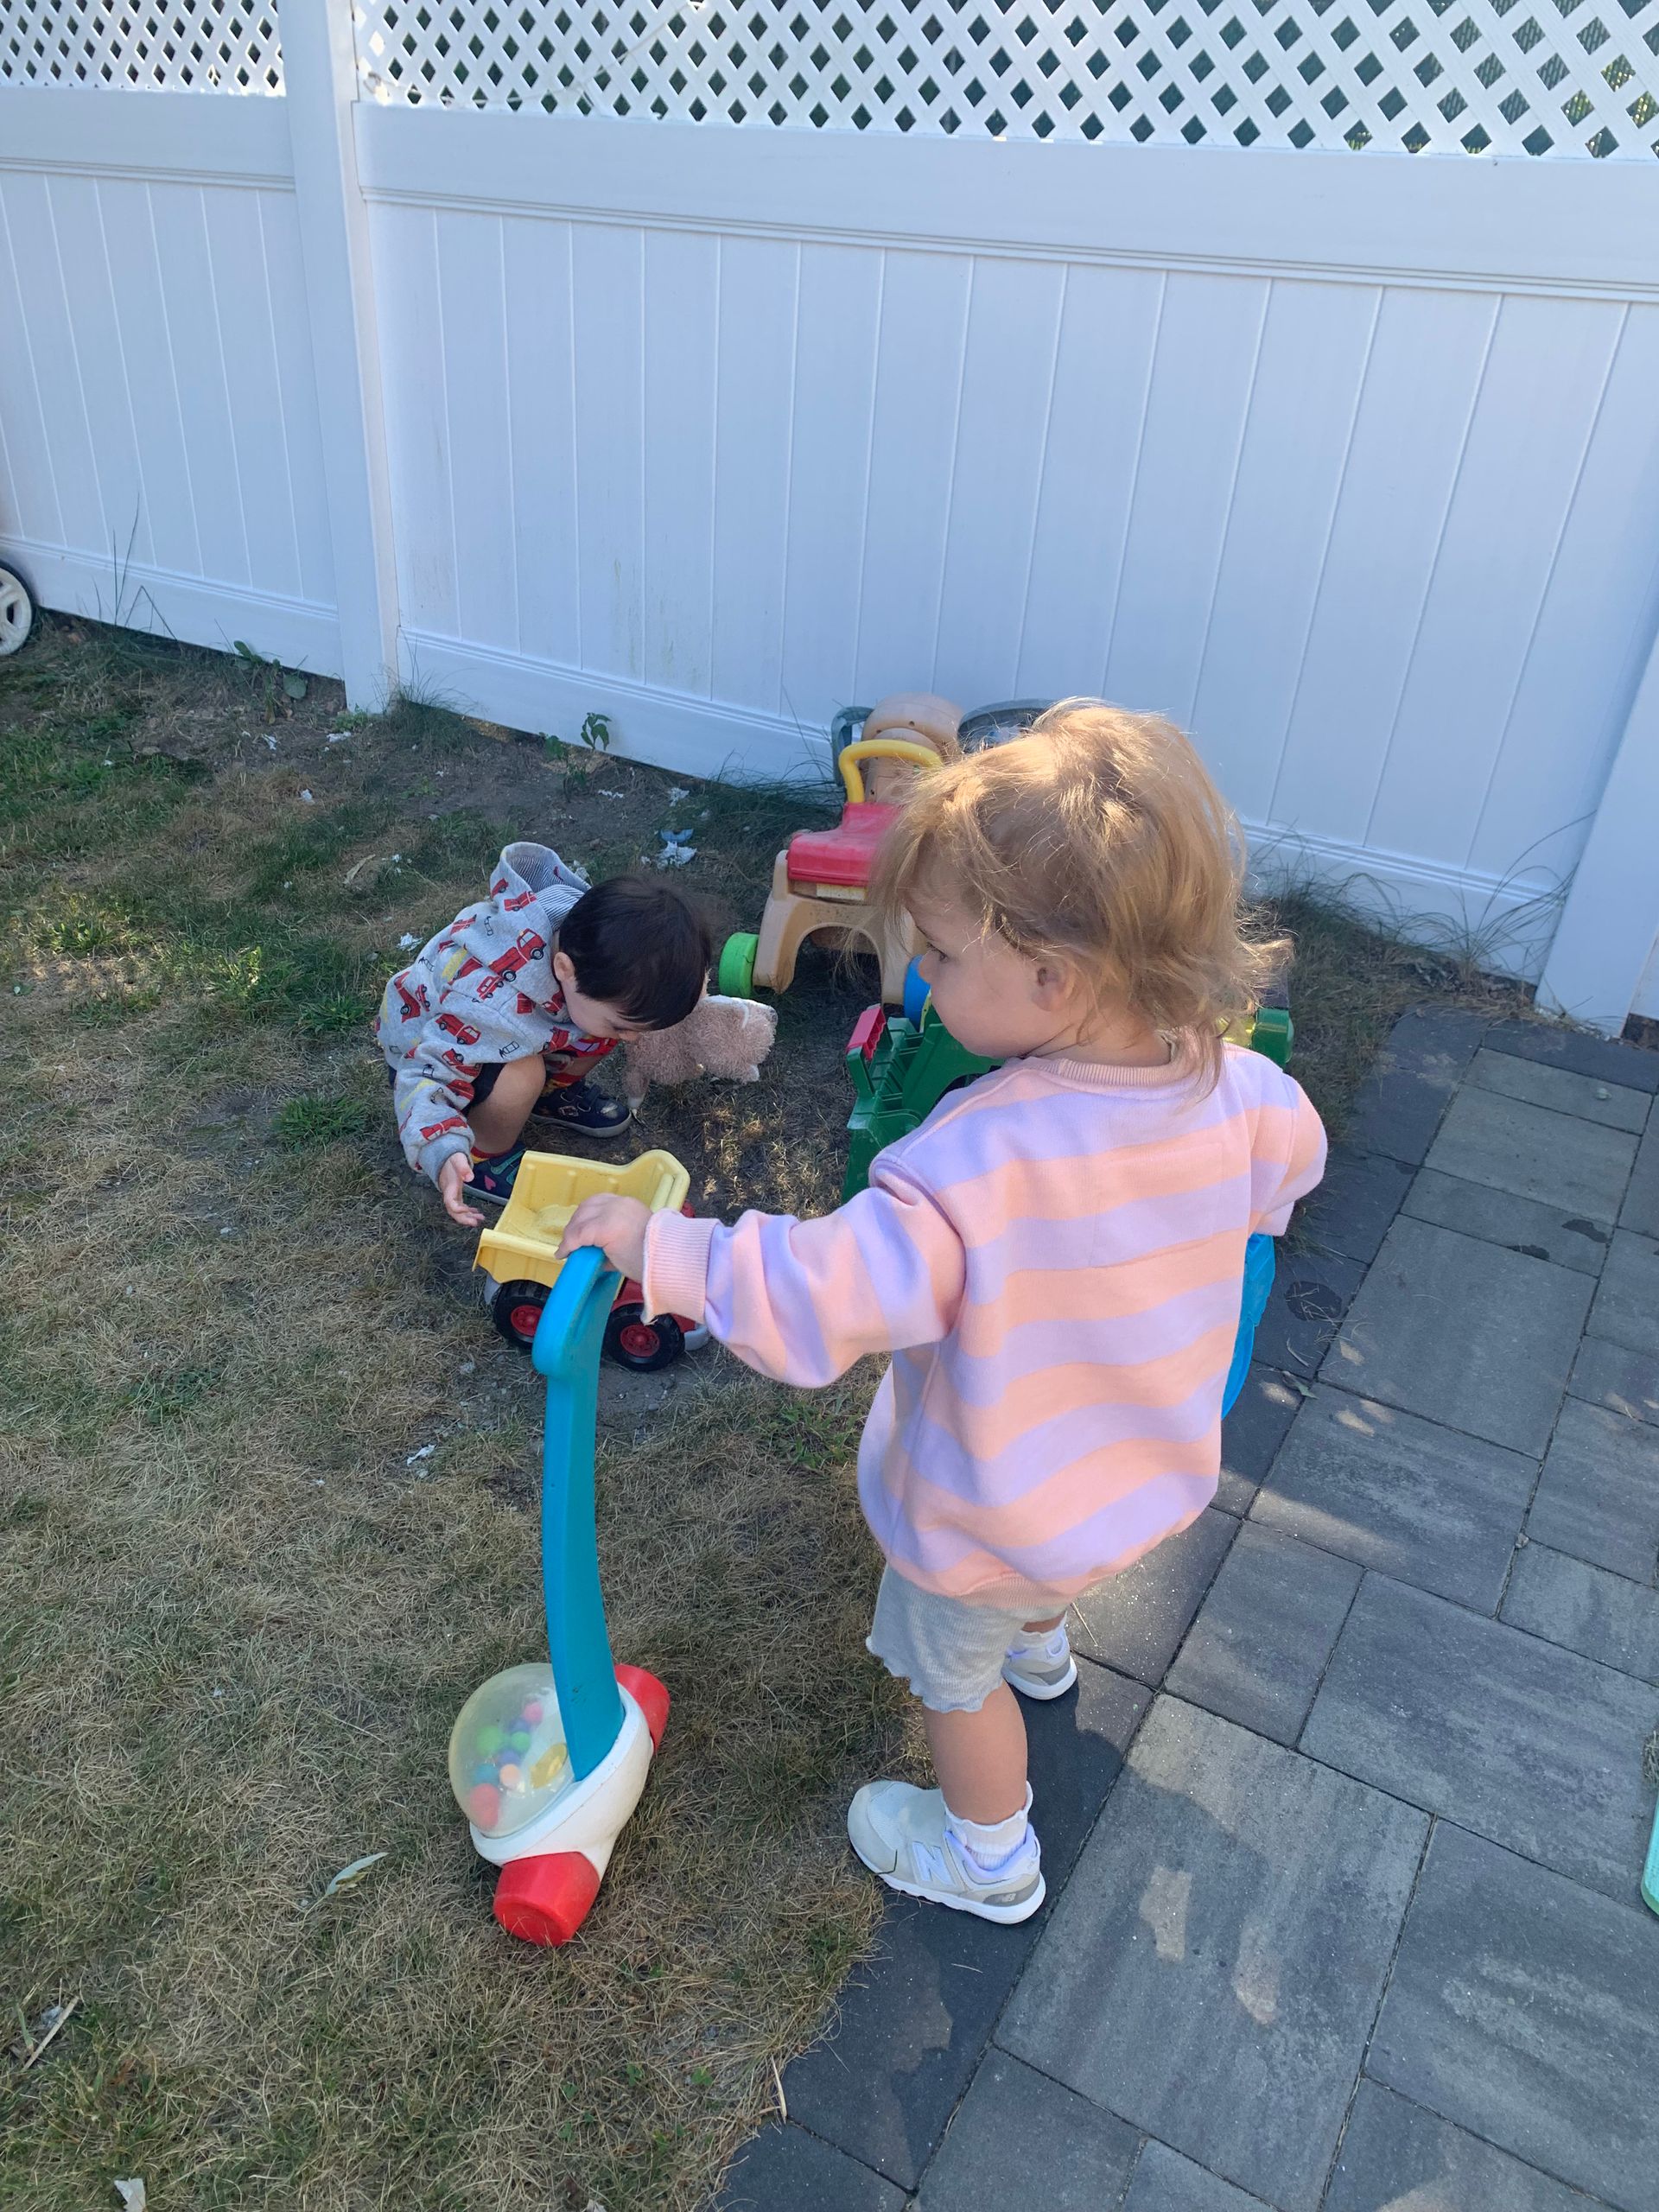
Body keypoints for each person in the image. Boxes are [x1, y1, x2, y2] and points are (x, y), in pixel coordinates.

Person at [557, 703, 1325, 1923]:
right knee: (1038, 1574)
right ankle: (1041, 1638)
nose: (919, 973)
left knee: (947, 1673)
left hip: (992, 1507)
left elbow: (824, 1291)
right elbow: (1293, 1165)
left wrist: (668, 1251)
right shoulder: (1241, 1090)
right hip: (1129, 1470)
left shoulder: (968, 1168)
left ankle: (988, 1856)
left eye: (944, 954)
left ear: (1053, 979)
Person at [377, 845, 710, 1227]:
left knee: (597, 1030)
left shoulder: (591, 942)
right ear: (564, 968)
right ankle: (486, 1154)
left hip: (514, 1026)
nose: (632, 1039)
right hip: (438, 1053)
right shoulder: (486, 1003)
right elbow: (425, 1073)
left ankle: (549, 1097)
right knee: (524, 1074)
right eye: (624, 1024)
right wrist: (441, 1145)